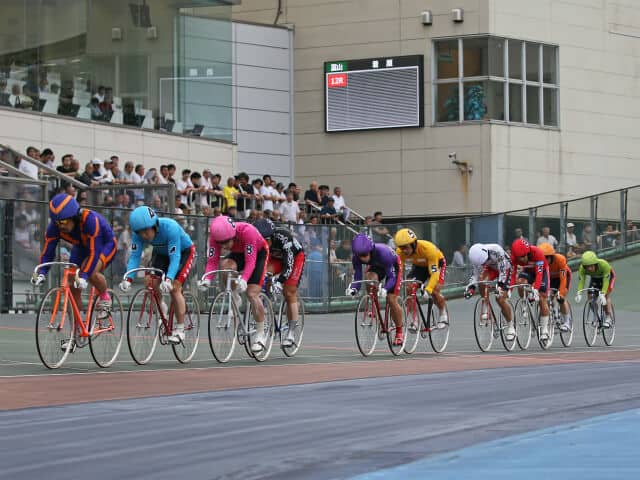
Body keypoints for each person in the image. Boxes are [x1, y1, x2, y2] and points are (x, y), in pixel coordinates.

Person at [33, 194, 117, 350]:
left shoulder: (90, 221)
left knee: (90, 271)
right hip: (81, 247)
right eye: (57, 222)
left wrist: (84, 276)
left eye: (63, 222)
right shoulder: (55, 227)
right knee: (71, 284)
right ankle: (75, 333)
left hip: (104, 245)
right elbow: (48, 251)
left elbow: (94, 253)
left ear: (74, 217)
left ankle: (105, 298)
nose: (60, 226)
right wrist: (42, 272)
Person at [120, 206, 196, 344]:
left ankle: (180, 329)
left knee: (175, 288)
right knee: (149, 282)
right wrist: (128, 278)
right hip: (161, 253)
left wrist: (169, 278)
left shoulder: (170, 227)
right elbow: (135, 256)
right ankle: (162, 307)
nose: (144, 236)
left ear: (154, 225)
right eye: (140, 233)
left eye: (146, 231)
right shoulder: (138, 235)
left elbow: (175, 257)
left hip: (183, 252)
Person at [198, 215, 270, 352]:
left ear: (233, 235)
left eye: (225, 242)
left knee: (251, 293)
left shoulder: (247, 231)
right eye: (220, 243)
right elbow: (212, 261)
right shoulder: (215, 237)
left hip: (258, 253)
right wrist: (207, 279)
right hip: (238, 253)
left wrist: (244, 279)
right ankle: (235, 297)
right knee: (225, 265)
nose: (223, 246)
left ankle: (260, 333)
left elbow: (251, 262)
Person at [254, 219, 305, 347]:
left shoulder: (284, 237)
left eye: (266, 240)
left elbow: (289, 265)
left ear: (272, 236)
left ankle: (291, 332)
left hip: (295, 258)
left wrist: (280, 281)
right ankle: (266, 303)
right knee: (264, 275)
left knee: (289, 291)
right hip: (275, 258)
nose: (264, 243)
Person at [346, 233, 404, 345]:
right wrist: (354, 289)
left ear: (371, 250)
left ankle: (399, 332)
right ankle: (373, 304)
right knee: (369, 278)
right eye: (359, 255)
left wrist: (386, 289)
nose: (362, 258)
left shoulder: (383, 253)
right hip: (376, 266)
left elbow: (392, 277)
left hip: (392, 266)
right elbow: (358, 277)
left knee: (391, 299)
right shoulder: (356, 258)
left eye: (364, 255)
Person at [393, 228, 449, 329]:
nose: (404, 250)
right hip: (419, 266)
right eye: (401, 248)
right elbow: (398, 270)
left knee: (434, 290)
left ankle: (443, 313)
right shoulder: (400, 252)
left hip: (437, 263)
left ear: (413, 244)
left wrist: (428, 289)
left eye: (406, 247)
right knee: (409, 287)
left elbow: (434, 273)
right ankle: (415, 320)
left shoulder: (428, 249)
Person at [465, 243, 515, 340]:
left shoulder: (496, 250)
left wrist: (500, 287)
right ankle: (487, 310)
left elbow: (502, 273)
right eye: (482, 263)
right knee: (481, 280)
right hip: (491, 269)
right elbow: (475, 274)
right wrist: (471, 288)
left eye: (485, 261)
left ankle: (511, 326)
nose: (483, 263)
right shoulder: (476, 258)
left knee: (500, 299)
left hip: (505, 269)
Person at [510, 238, 551, 340]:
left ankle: (545, 330)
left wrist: (536, 289)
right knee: (520, 283)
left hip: (541, 273)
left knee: (541, 297)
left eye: (523, 257)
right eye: (518, 258)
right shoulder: (514, 258)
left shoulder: (537, 253)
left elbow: (539, 274)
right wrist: (509, 290)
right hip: (528, 271)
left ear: (528, 253)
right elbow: (513, 275)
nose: (521, 260)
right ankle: (524, 302)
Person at [575, 251, 616, 328]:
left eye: (591, 266)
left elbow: (606, 281)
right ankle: (596, 316)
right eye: (587, 267)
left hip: (608, 278)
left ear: (595, 263)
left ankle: (608, 318)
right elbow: (581, 281)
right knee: (590, 297)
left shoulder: (604, 265)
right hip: (595, 278)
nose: (589, 269)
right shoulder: (582, 268)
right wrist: (579, 293)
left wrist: (603, 293)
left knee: (605, 296)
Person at [539, 243, 572, 332]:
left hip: (563, 278)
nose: (544, 260)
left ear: (552, 256)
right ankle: (554, 313)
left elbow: (563, 279)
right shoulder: (540, 263)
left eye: (546, 257)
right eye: (542, 258)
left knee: (560, 298)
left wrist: (561, 293)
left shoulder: (560, 259)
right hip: (550, 279)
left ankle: (566, 322)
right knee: (546, 296)